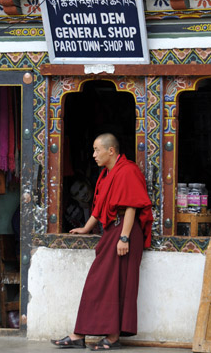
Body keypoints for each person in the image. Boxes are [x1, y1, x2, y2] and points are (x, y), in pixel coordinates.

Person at [51, 133, 154, 350]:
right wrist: (86, 228)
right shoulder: (106, 174)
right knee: (101, 283)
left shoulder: (128, 171)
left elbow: (132, 206)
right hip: (112, 233)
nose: (94, 155)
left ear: (111, 151)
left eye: (97, 150)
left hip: (124, 232)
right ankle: (82, 335)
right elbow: (99, 206)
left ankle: (109, 337)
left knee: (119, 284)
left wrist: (124, 237)